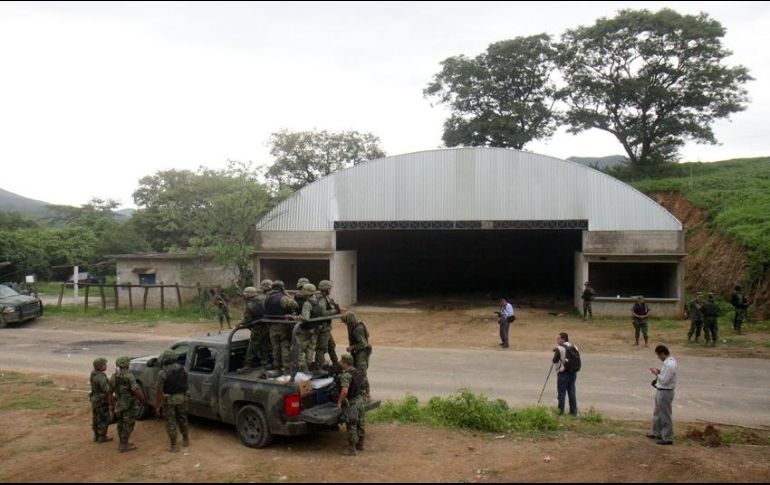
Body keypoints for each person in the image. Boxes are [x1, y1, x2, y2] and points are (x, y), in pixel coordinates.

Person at [111, 356, 147, 452]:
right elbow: (136, 389)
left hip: (119, 403)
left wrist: (112, 404)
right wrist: (143, 401)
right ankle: (123, 445)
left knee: (121, 423)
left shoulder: (114, 376)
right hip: (128, 404)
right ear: (126, 364)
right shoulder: (129, 375)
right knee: (129, 424)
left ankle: (123, 441)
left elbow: (110, 391)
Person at [155, 350, 190, 452]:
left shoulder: (163, 373)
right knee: (183, 418)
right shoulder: (183, 369)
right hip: (182, 398)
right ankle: (185, 439)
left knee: (171, 422)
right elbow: (186, 385)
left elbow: (159, 391)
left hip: (169, 401)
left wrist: (157, 406)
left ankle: (173, 446)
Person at [265, 280, 299, 373]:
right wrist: (287, 294)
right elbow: (295, 305)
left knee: (275, 348)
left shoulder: (267, 298)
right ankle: (286, 368)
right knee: (285, 347)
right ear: (282, 288)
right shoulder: (283, 298)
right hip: (283, 325)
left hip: (272, 326)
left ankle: (276, 367)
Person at [647, 345, 678, 445]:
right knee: (658, 413)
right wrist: (660, 372)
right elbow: (665, 376)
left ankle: (667, 437)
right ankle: (657, 432)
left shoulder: (669, 364)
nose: (658, 357)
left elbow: (664, 380)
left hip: (665, 391)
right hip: (661, 390)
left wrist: (656, 373)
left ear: (663, 353)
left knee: (665, 415)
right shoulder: (668, 363)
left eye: (658, 355)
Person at [336, 353, 366, 456]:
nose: (341, 364)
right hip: (360, 400)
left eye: (342, 362)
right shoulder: (358, 372)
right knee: (360, 422)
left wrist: (340, 401)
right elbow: (364, 385)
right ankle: (360, 443)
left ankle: (351, 449)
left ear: (345, 363)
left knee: (351, 424)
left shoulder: (346, 375)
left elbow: (344, 391)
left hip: (352, 402)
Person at [344, 312, 372, 401]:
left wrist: (352, 347)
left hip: (362, 353)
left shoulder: (357, 329)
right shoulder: (355, 326)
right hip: (358, 352)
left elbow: (363, 344)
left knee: (361, 373)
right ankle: (361, 392)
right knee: (357, 372)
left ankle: (366, 394)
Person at [552, 332, 579, 417]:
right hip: (573, 372)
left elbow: (554, 360)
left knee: (561, 393)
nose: (557, 340)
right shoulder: (574, 347)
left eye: (558, 338)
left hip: (563, 373)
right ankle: (573, 412)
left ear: (563, 339)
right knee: (572, 392)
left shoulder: (559, 348)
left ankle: (560, 412)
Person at [316, 280, 341, 368]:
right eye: (329, 289)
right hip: (322, 327)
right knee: (321, 348)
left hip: (326, 327)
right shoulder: (322, 299)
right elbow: (323, 313)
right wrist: (334, 311)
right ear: (325, 289)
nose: (330, 290)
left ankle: (335, 362)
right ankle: (319, 365)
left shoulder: (326, 298)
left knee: (331, 345)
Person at [297, 283, 322, 372]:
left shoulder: (307, 303)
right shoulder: (316, 301)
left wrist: (296, 317)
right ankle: (307, 368)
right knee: (310, 350)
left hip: (307, 330)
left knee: (297, 350)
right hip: (315, 330)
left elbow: (306, 318)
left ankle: (303, 369)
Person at [241, 286, 266, 369]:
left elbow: (247, 320)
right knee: (264, 345)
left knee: (252, 346)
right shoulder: (263, 301)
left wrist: (240, 323)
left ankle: (248, 364)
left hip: (257, 328)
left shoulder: (250, 305)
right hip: (266, 326)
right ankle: (265, 362)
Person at [89, 357, 114, 444]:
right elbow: (107, 389)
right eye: (104, 364)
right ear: (100, 366)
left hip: (95, 399)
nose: (106, 366)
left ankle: (96, 436)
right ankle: (102, 437)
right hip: (101, 400)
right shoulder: (101, 377)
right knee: (103, 418)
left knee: (96, 417)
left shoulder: (93, 373)